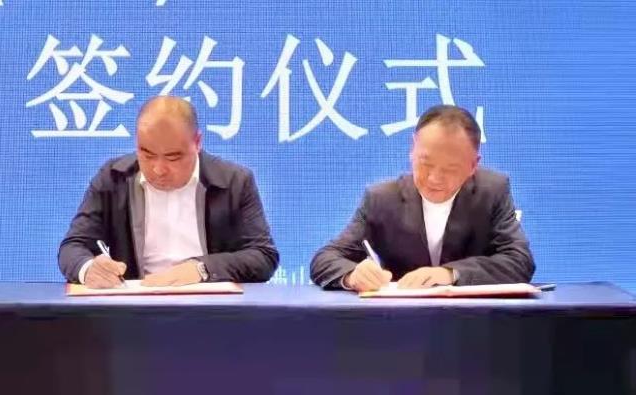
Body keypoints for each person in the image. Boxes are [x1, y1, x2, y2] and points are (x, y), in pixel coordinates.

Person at [59, 96, 279, 288]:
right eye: (147, 154)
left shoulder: (234, 182)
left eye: (173, 158)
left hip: (212, 309)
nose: (159, 169)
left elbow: (263, 256)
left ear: (197, 143)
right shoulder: (113, 179)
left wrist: (202, 269)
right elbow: (73, 246)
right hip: (134, 311)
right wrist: (88, 268)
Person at [310, 104, 534, 291]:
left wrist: (450, 274)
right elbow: (325, 258)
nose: (434, 178)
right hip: (401, 321)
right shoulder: (382, 199)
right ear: (412, 149)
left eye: (450, 169)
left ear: (473, 165)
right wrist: (352, 276)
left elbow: (519, 261)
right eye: (425, 163)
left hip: (473, 322)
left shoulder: (492, 191)